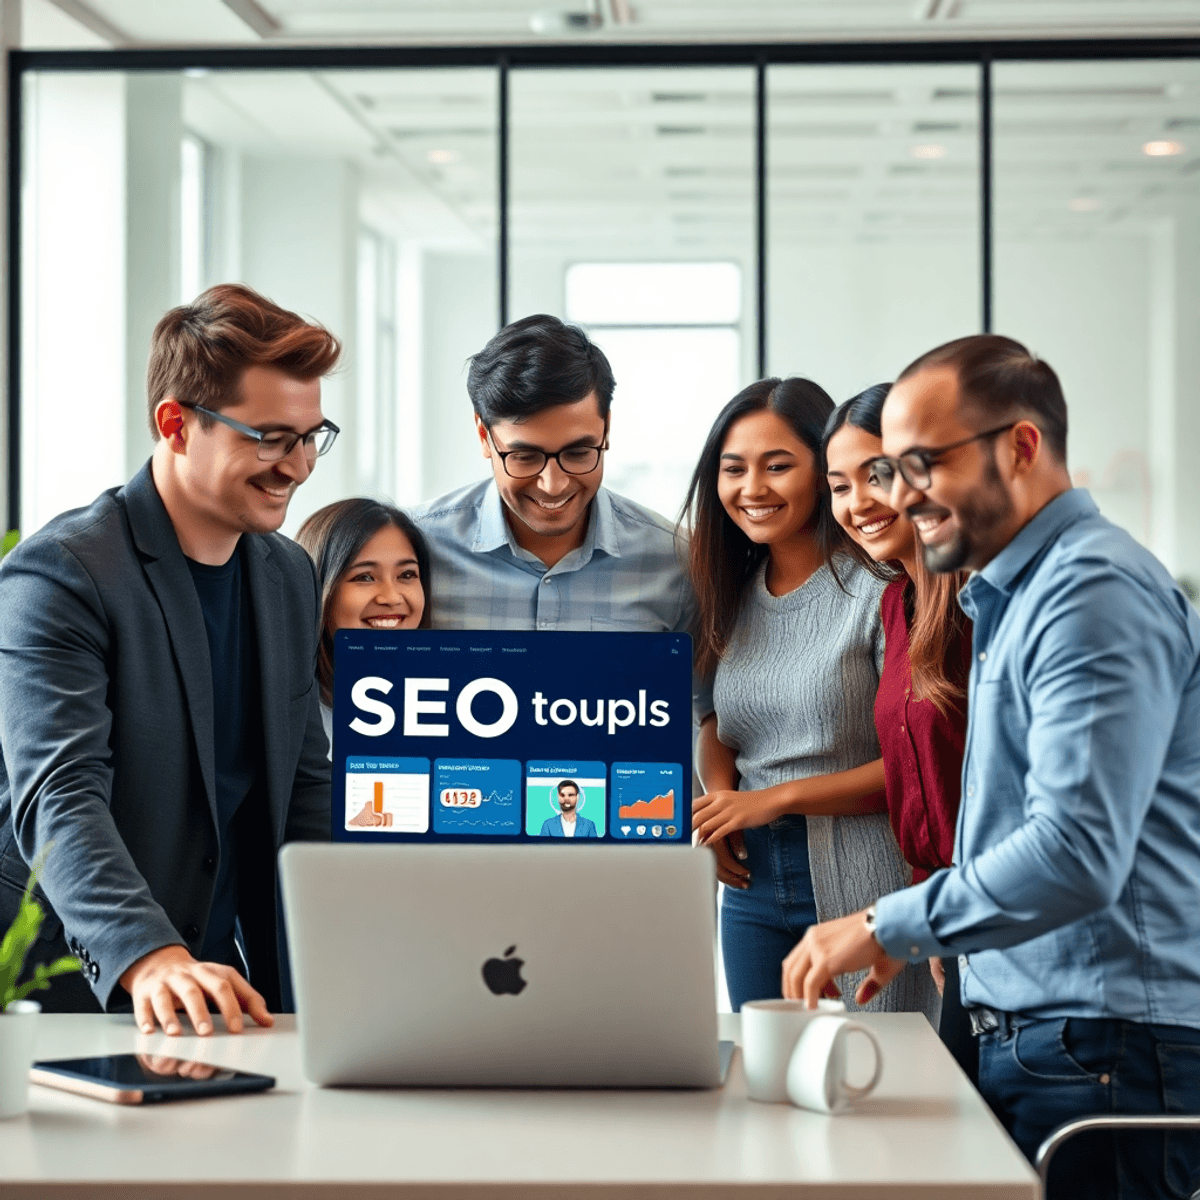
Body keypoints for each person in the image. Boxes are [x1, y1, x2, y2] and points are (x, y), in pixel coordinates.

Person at [782, 335, 1200, 1199]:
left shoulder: (1091, 592)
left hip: (1108, 1043)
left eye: (923, 462)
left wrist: (891, 922)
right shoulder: (1015, 590)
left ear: (1020, 445)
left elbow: (1076, 850)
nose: (900, 494)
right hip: (1061, 1035)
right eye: (891, 467)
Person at [0, 284, 340, 1036]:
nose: (299, 465)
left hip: (222, 990)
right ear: (176, 424)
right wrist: (151, 955)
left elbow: (303, 791)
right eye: (271, 437)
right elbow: (59, 795)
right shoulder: (61, 574)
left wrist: (347, 956)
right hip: (75, 988)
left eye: (313, 436)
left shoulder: (286, 574)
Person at [686, 377, 938, 1021]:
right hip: (751, 883)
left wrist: (771, 798)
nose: (753, 489)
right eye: (734, 469)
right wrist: (721, 804)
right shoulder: (730, 591)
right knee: (769, 1088)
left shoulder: (883, 585)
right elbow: (719, 716)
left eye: (779, 466)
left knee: (880, 1083)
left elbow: (920, 766)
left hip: (865, 871)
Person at [823, 383, 975, 1075]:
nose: (857, 504)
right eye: (839, 485)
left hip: (1000, 924)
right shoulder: (897, 603)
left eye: (876, 475)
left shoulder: (983, 601)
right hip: (950, 926)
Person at [409, 314, 692, 633]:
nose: (553, 485)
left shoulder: (677, 563)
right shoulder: (412, 548)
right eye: (525, 457)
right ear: (484, 437)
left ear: (607, 429)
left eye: (578, 453)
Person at [295, 498, 432, 748]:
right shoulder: (289, 711)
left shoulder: (440, 703)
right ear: (319, 588)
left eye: (407, 575)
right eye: (365, 577)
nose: (391, 598)